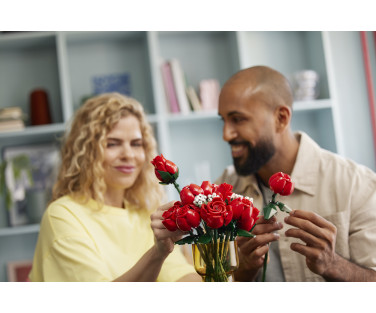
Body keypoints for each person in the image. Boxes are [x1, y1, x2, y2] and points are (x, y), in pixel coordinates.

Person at [216, 65, 376, 282]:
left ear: (281, 118)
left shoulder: (357, 185)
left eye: (238, 119)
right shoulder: (220, 194)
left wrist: (333, 265)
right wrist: (243, 270)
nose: (226, 134)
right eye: (223, 120)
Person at [29, 92, 200, 282]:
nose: (128, 155)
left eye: (136, 144)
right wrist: (158, 253)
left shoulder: (145, 212)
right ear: (86, 152)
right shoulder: (62, 215)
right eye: (112, 144)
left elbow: (179, 274)